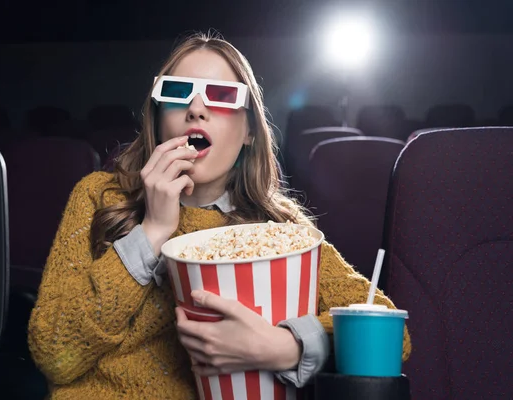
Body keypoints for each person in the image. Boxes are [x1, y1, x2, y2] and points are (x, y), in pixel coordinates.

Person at [28, 32, 411, 399]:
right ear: (160, 120)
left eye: (223, 96)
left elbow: (392, 336)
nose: (196, 109)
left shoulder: (277, 231)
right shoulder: (100, 196)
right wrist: (152, 231)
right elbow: (55, 354)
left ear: (248, 131)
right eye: (178, 93)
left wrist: (285, 347)